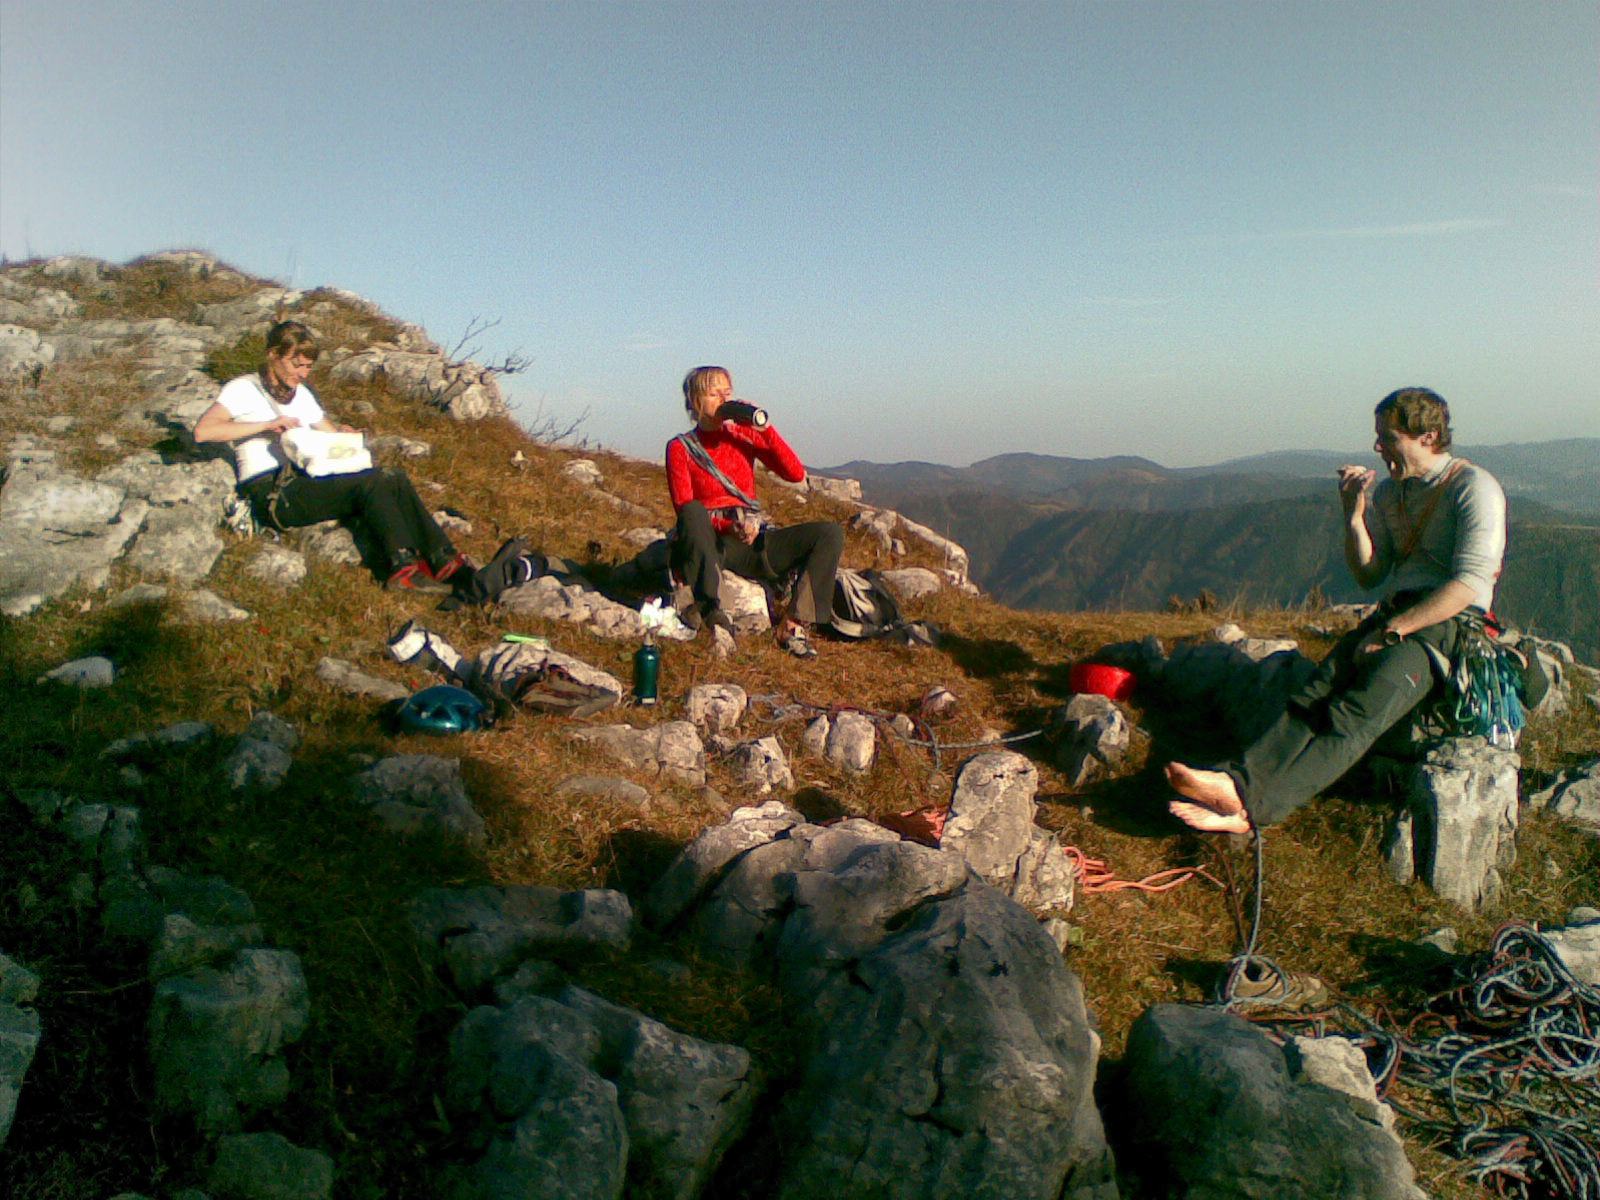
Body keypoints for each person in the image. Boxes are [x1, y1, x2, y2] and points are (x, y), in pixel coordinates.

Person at [1167, 387, 1507, 834]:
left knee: (1357, 712)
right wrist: (1354, 514)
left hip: (1448, 623)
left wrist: (1394, 632)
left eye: (1389, 437)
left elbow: (1470, 584)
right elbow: (1370, 573)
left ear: (1427, 437)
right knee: (1315, 693)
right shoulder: (1393, 494)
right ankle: (1237, 783)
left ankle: (1253, 811)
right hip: (1398, 612)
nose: (1378, 447)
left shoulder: (1473, 487)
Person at [194, 320, 469, 593]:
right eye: (296, 365)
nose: (303, 373)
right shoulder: (244, 388)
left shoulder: (301, 395)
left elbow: (328, 433)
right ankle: (403, 567)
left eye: (308, 366)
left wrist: (343, 435)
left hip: (305, 478)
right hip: (272, 492)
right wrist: (266, 426)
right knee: (372, 483)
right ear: (273, 355)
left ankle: (444, 558)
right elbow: (204, 432)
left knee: (393, 476)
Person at [665, 365, 845, 657]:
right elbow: (684, 509)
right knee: (694, 511)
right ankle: (712, 610)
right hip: (714, 542)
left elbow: (794, 472)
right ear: (696, 402)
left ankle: (793, 624)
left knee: (829, 533)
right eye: (714, 394)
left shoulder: (741, 437)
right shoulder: (680, 448)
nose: (724, 400)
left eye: (727, 393)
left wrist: (764, 430)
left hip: (753, 538)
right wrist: (729, 527)